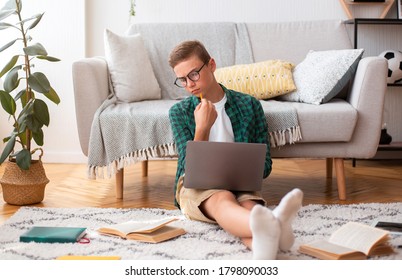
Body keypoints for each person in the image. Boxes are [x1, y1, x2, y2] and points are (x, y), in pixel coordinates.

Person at [168, 40, 303, 260]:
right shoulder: (180, 112)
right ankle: (278, 227)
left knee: (251, 209)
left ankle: (267, 247)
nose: (190, 84)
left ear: (211, 65)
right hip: (197, 187)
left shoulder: (249, 105)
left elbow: (265, 165)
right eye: (182, 79)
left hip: (242, 185)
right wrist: (202, 127)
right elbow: (188, 169)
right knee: (222, 199)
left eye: (193, 74)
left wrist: (244, 172)